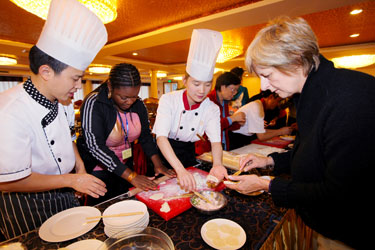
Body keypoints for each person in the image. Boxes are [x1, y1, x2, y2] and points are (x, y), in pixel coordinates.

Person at [225, 16, 375, 249]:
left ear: (295, 60)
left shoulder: (350, 99)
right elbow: (312, 154)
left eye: (266, 74)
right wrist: (268, 161)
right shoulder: (310, 94)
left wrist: (267, 185)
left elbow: (339, 194)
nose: (263, 87)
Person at [0, 0, 108, 239]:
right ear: (46, 72)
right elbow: (7, 183)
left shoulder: (62, 101)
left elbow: (68, 137)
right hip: (27, 204)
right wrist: (72, 179)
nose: (78, 86)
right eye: (75, 78)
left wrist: (78, 166)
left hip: (66, 191)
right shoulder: (10, 110)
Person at [77, 63, 175, 204]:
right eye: (123, 97)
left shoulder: (138, 104)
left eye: (134, 97)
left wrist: (157, 163)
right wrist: (132, 176)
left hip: (125, 166)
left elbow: (146, 136)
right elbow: (95, 146)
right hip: (98, 170)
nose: (129, 102)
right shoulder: (94, 102)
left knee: (125, 204)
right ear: (110, 87)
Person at [153, 29, 228, 191]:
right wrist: (179, 170)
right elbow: (161, 138)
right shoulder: (169, 99)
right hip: (165, 153)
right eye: (196, 84)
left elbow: (216, 142)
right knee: (165, 192)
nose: (202, 90)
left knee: (190, 191)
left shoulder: (212, 108)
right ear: (185, 80)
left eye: (208, 84)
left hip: (188, 151)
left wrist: (217, 164)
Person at [195, 71, 245, 154]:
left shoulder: (224, 102)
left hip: (222, 145)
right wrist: (233, 118)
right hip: (207, 149)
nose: (234, 93)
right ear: (222, 87)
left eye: (236, 90)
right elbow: (211, 126)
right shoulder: (208, 101)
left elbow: (225, 125)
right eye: (233, 89)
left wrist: (238, 123)